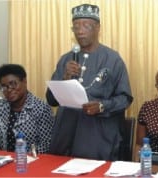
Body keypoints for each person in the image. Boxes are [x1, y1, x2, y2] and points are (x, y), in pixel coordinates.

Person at [46, 4, 133, 161]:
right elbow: (51, 100)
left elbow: (125, 98)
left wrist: (101, 106)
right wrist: (64, 77)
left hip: (98, 137)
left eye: (86, 25)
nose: (80, 31)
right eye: (76, 26)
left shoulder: (113, 59)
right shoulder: (66, 59)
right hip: (66, 137)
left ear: (98, 27)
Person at [0, 64, 54, 153]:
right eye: (4, 86)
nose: (9, 89)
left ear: (24, 81)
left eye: (13, 84)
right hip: (2, 161)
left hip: (31, 162)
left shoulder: (41, 108)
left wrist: (21, 159)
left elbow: (46, 144)